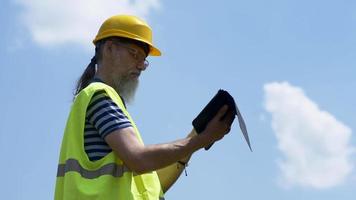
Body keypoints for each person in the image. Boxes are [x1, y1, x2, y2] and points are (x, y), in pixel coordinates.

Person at [55, 15, 235, 200]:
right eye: (135, 54)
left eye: (144, 59)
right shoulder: (100, 96)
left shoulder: (102, 100)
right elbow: (139, 159)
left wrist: (193, 138)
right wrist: (202, 140)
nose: (141, 66)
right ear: (109, 48)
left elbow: (151, 189)